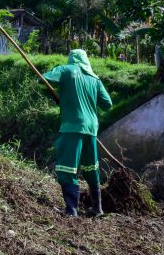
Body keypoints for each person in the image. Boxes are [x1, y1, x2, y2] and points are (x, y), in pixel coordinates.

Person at [42, 49, 113, 216]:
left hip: (72, 126)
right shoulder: (95, 79)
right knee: (90, 168)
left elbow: (43, 80)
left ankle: (71, 209)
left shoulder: (66, 70)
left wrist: (56, 96)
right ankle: (97, 208)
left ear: (71, 59)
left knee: (67, 169)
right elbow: (107, 104)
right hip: (91, 128)